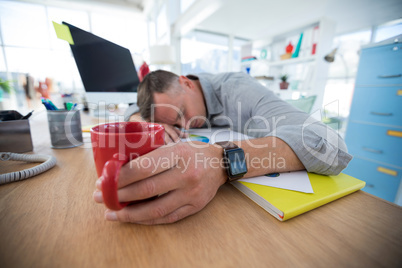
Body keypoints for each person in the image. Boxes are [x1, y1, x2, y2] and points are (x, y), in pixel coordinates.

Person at [93, 70, 352, 225]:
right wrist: (139, 119)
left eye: (182, 112)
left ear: (186, 82)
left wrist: (222, 161)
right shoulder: (175, 96)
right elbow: (130, 110)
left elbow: (329, 145)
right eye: (175, 123)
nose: (187, 125)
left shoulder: (236, 89)